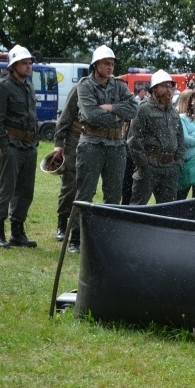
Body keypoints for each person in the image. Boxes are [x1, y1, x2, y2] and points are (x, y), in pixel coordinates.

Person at [68, 45, 138, 253]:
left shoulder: (119, 85)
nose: (110, 67)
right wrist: (117, 116)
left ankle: (107, 238)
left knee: (113, 194)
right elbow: (91, 115)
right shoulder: (85, 86)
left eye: (112, 64)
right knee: (85, 192)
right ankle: (76, 239)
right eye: (106, 63)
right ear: (96, 64)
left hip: (116, 144)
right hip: (92, 142)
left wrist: (111, 107)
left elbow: (133, 109)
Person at [0, 44, 39, 248]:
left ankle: (18, 232)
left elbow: (32, 117)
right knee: (5, 189)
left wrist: (34, 141)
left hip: (28, 146)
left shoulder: (29, 86)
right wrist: (4, 146)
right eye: (24, 63)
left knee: (26, 191)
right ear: (13, 65)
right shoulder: (2, 87)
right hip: (11, 146)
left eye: (29, 62)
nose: (28, 66)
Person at [127, 70, 185, 205]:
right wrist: (144, 165)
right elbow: (134, 139)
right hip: (149, 165)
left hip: (170, 167)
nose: (168, 90)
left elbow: (180, 139)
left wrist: (178, 163)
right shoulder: (143, 109)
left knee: (167, 209)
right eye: (164, 86)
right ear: (154, 89)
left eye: (170, 86)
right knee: (138, 206)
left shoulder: (173, 112)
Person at [50, 85, 83, 241]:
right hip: (74, 141)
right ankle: (62, 224)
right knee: (70, 183)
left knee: (86, 186)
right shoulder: (80, 88)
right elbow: (66, 116)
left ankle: (80, 226)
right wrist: (59, 143)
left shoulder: (111, 88)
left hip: (96, 141)